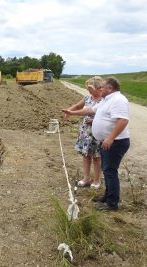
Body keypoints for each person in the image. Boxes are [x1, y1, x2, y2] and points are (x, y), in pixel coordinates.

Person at [62, 77, 130, 211]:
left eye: (101, 87)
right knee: (107, 170)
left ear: (110, 88)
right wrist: (72, 112)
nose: (99, 89)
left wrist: (110, 138)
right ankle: (107, 196)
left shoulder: (118, 100)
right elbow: (90, 110)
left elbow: (123, 120)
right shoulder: (106, 100)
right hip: (106, 141)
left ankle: (112, 204)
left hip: (115, 143)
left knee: (110, 171)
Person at [63, 76, 103, 189]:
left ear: (98, 87)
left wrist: (95, 121)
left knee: (96, 156)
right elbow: (77, 106)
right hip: (85, 131)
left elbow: (108, 116)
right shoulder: (87, 98)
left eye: (90, 88)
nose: (88, 90)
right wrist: (69, 111)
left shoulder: (104, 100)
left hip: (97, 132)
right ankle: (86, 178)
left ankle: (96, 180)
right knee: (86, 155)